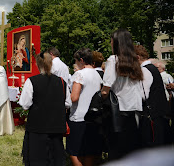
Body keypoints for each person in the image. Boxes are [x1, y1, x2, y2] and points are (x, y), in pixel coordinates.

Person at [18, 51, 72, 166]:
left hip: (37, 127)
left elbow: (25, 104)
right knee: (55, 159)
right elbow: (67, 103)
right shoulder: (61, 81)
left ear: (38, 64)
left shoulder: (32, 81)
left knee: (37, 159)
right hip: (56, 127)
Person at [101, 29, 143, 160]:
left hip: (119, 111)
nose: (110, 43)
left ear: (117, 43)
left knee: (117, 150)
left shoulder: (113, 60)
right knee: (132, 150)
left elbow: (105, 89)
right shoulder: (134, 60)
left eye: (111, 41)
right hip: (135, 109)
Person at [66, 48, 103, 166]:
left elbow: (74, 97)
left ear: (81, 60)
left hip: (79, 116)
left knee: (74, 151)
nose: (76, 63)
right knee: (89, 151)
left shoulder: (79, 74)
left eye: (76, 61)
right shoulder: (97, 74)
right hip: (93, 117)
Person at [135, 45, 171, 147]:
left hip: (151, 116)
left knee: (152, 146)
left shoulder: (145, 70)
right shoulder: (152, 68)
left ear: (137, 57)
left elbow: (143, 95)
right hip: (158, 114)